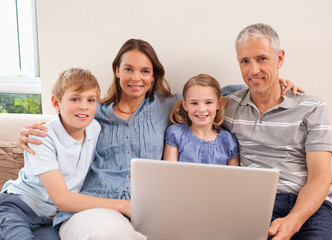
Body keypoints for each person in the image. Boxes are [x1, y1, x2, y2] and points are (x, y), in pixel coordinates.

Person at [15, 39, 300, 239]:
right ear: (117, 71)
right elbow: (62, 118)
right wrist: (26, 131)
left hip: (151, 208)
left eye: (145, 71)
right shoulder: (93, 112)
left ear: (153, 77)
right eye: (128, 69)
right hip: (98, 205)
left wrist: (277, 83)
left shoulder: (167, 105)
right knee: (109, 235)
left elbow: (212, 93)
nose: (135, 77)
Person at [223, 23, 332, 240]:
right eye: (245, 61)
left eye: (262, 59)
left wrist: (293, 220)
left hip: (310, 207)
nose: (253, 70)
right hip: (255, 206)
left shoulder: (313, 107)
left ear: (279, 59)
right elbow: (193, 101)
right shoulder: (229, 106)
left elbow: (321, 176)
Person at [0, 68, 104, 240]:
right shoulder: (40, 136)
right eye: (75, 99)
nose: (84, 106)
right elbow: (62, 199)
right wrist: (124, 206)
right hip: (18, 207)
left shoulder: (95, 128)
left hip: (49, 219)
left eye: (91, 100)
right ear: (56, 103)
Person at [163, 73, 239, 166]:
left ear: (219, 103)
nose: (201, 109)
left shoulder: (228, 141)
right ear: (185, 105)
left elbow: (233, 177)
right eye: (194, 103)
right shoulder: (176, 134)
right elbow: (169, 172)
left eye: (208, 102)